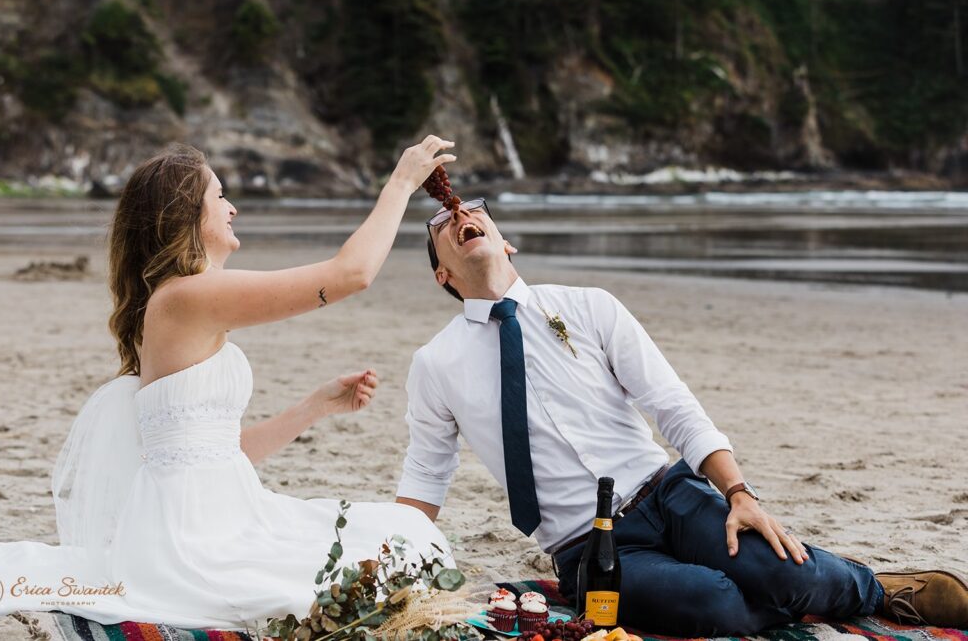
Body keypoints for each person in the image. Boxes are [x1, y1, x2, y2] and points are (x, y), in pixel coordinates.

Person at [0, 136, 458, 632]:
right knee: (404, 548)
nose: (233, 208)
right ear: (186, 214)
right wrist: (400, 183)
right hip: (192, 539)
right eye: (220, 195)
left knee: (409, 537)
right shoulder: (185, 298)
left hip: (226, 513)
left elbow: (213, 455)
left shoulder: (183, 299)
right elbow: (351, 274)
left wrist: (313, 406)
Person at [395, 197, 968, 635]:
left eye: (474, 211)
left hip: (669, 495)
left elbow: (672, 404)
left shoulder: (590, 306)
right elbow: (425, 476)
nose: (458, 214)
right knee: (711, 601)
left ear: (505, 242)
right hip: (587, 549)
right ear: (442, 274)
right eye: (440, 225)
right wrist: (389, 564)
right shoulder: (435, 364)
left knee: (788, 575)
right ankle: (802, 595)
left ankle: (877, 591)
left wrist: (740, 494)